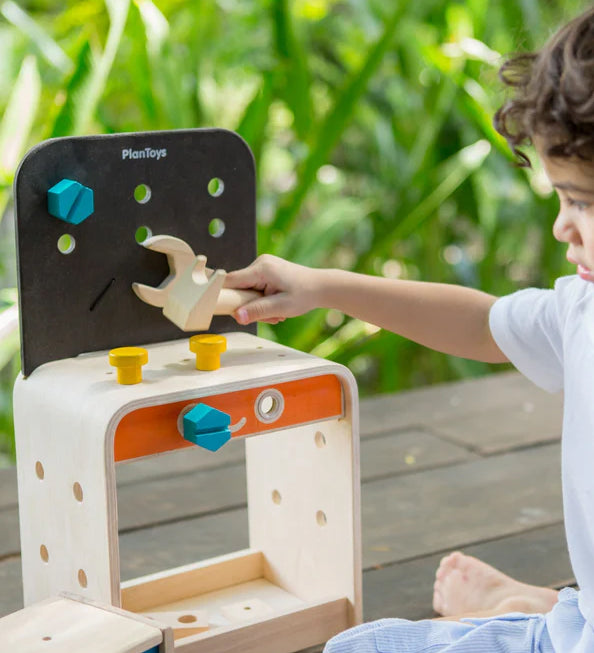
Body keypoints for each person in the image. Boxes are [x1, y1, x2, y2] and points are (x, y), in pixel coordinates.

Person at [224, 6, 594, 652]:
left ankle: (543, 610)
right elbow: (483, 322)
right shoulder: (582, 307)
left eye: (582, 203)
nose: (562, 226)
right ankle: (557, 609)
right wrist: (319, 286)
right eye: (561, 198)